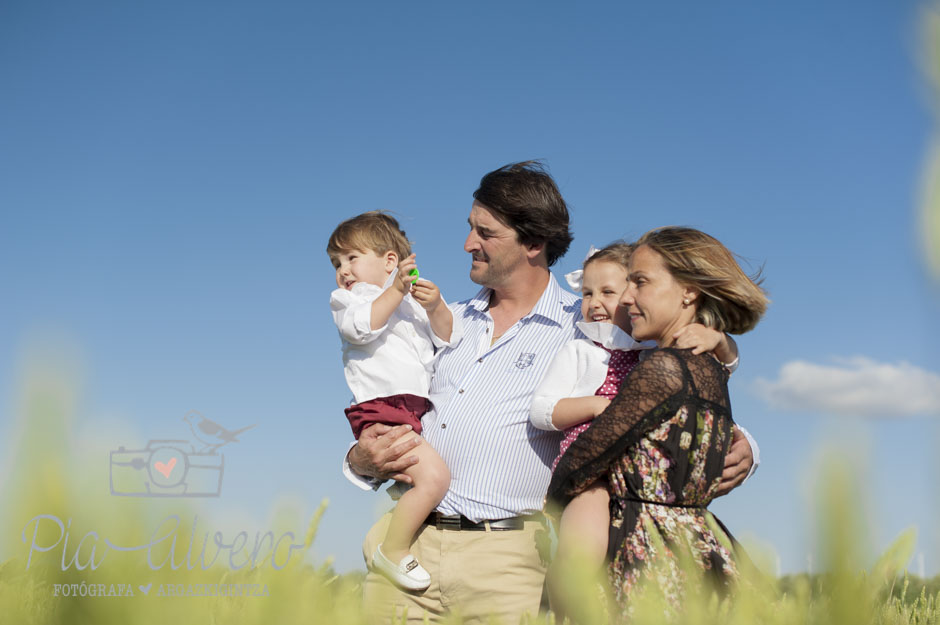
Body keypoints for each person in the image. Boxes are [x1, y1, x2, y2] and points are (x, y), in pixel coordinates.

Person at [344, 163, 760, 625]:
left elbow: (666, 391)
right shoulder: (438, 319)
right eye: (469, 229)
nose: (468, 244)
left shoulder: (592, 326)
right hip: (404, 550)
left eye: (485, 232)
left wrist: (747, 446)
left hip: (507, 564)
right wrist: (359, 462)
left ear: (534, 243)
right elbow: (385, 396)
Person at [546, 226, 769, 621]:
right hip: (694, 543)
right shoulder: (711, 368)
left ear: (688, 291)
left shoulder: (663, 369)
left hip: (643, 551)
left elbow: (586, 459)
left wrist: (556, 499)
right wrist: (722, 341)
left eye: (641, 282)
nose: (627, 297)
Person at [328, 211, 461, 591]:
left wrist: (435, 307)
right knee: (434, 478)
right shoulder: (350, 300)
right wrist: (397, 290)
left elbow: (448, 339)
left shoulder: (411, 303)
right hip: (381, 407)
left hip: (410, 409)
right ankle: (393, 549)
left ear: (389, 261)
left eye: (352, 258)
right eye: (337, 263)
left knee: (421, 477)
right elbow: (362, 327)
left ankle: (399, 539)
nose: (343, 270)